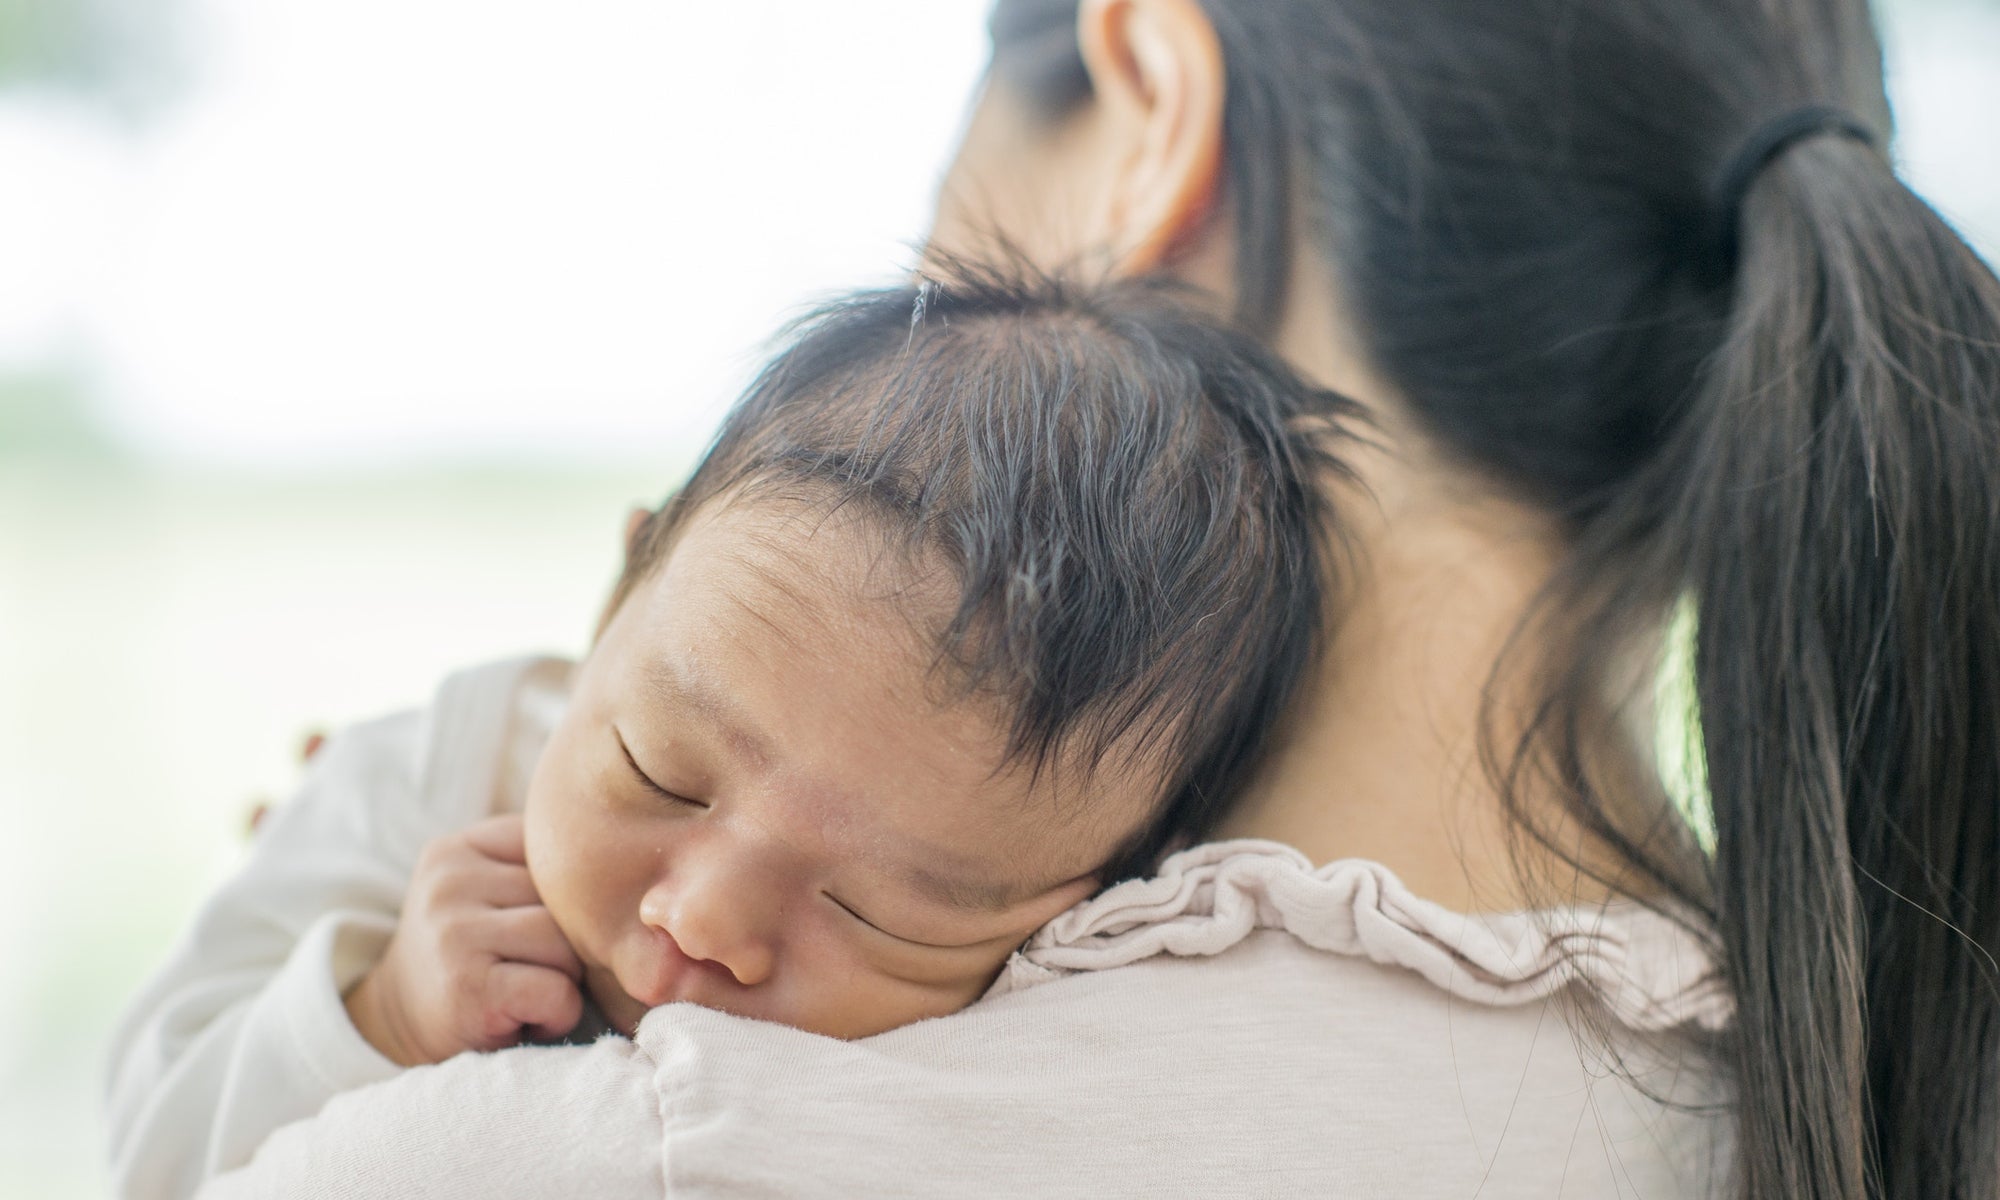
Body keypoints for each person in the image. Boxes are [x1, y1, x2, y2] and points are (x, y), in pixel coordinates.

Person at [169, 0, 2000, 1195]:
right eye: (660, 760)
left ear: (1147, 100)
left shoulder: (617, 1152)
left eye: (914, 899)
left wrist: (337, 1021)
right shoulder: (1868, 1077)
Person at [105, 268, 1359, 1197]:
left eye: (881, 910)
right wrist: (375, 1016)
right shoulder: (436, 768)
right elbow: (148, 1148)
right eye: (660, 772)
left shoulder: (1096, 1004)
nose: (701, 921)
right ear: (616, 599)